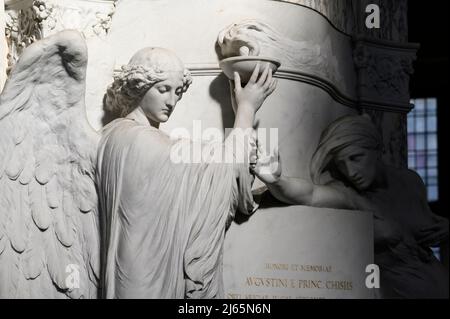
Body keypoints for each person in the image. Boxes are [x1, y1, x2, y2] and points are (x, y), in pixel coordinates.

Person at [96, 47, 276, 298]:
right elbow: (224, 163)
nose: (172, 101)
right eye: (163, 89)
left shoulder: (112, 136)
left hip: (139, 270)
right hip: (144, 278)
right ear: (139, 86)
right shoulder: (137, 140)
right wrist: (246, 109)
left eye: (178, 92)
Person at [253, 114, 449, 298]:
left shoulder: (409, 181)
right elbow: (310, 195)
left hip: (435, 278)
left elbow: (425, 227)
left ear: (376, 149)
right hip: (394, 289)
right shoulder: (348, 195)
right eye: (341, 163)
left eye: (356, 158)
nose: (350, 171)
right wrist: (277, 181)